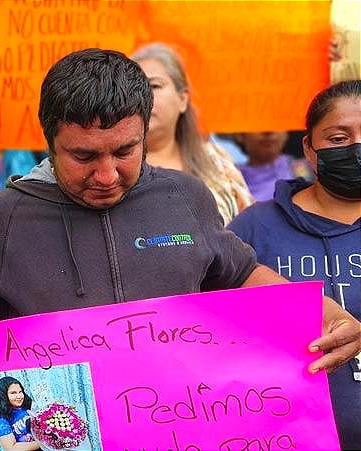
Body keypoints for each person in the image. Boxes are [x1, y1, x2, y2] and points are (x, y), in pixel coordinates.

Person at [0, 48, 361, 421]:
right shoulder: (6, 216)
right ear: (49, 140)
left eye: (125, 151)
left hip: (185, 423)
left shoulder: (185, 198)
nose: (107, 175)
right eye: (84, 156)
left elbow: (238, 272)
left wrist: (316, 311)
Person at [228, 80, 361, 449]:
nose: (355, 149)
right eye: (338, 138)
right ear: (308, 147)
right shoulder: (253, 227)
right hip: (282, 438)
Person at [131, 43, 253, 224]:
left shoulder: (216, 159)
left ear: (183, 99)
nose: (144, 96)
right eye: (134, 89)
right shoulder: (115, 169)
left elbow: (250, 228)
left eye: (154, 86)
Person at [234, 131, 313, 201]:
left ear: (286, 133)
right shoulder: (230, 179)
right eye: (258, 123)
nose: (268, 132)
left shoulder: (310, 170)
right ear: (240, 135)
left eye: (277, 125)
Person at [0, 377, 39, 451]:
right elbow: (11, 448)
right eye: (13, 393)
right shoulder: (1, 420)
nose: (19, 396)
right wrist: (43, 443)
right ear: (4, 396)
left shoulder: (28, 406)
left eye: (20, 392)